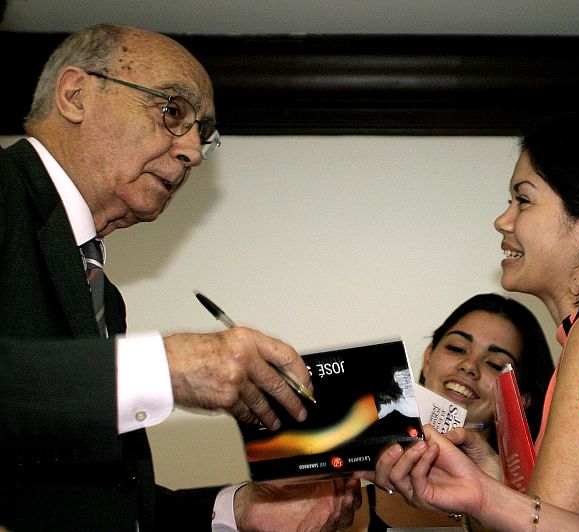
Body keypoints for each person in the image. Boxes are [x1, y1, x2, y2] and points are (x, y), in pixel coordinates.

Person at [0, 24, 358, 531]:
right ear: (75, 94)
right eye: (172, 111)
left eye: (203, 132)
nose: (191, 149)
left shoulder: (101, 292)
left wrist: (240, 511)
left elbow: (85, 504)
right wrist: (161, 367)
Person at [365, 112, 579, 530]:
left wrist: (483, 492)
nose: (503, 220)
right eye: (456, 347)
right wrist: (490, 481)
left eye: (523, 200)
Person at [359, 292, 553, 530]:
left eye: (494, 364)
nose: (470, 366)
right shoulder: (351, 501)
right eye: (457, 348)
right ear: (428, 358)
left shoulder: (543, 504)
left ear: (520, 400)